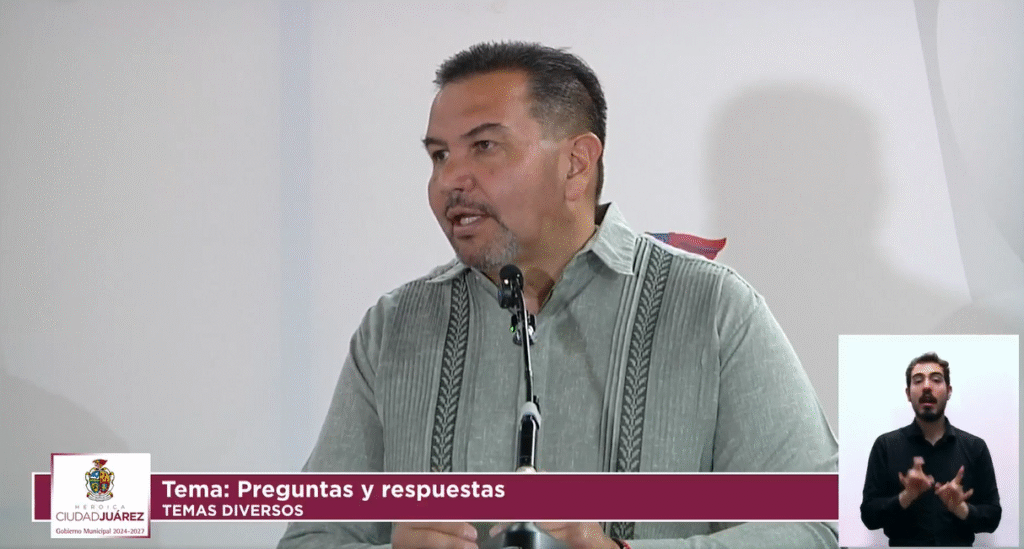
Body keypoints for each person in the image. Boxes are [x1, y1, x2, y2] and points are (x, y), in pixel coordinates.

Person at [279, 41, 838, 549]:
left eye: (484, 146)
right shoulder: (394, 328)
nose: (450, 180)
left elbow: (814, 526)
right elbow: (311, 538)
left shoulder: (711, 308)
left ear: (576, 164)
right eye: (439, 155)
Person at [860, 352, 1001, 546]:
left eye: (936, 379)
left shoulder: (976, 447)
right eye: (918, 381)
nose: (927, 386)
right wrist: (906, 496)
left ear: (949, 391)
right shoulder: (885, 446)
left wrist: (961, 509)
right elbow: (869, 516)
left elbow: (993, 517)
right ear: (908, 394)